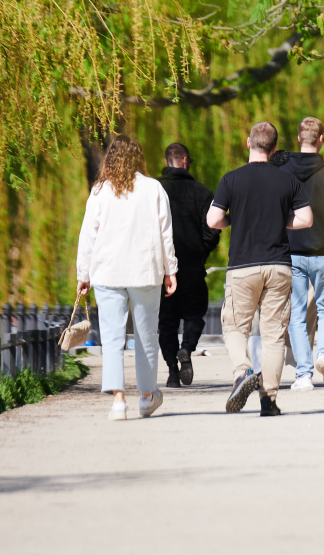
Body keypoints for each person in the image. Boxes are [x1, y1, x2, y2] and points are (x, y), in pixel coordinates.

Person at [207, 121, 313, 417]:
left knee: (235, 326)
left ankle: (242, 373)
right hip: (279, 265)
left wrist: (234, 220)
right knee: (273, 336)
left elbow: (212, 220)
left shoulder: (231, 180)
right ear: (275, 148)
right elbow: (306, 219)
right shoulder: (287, 181)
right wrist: (282, 221)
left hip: (242, 266)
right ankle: (269, 399)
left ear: (248, 143)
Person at [75, 134, 178, 421]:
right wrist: (171, 270)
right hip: (145, 270)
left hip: (107, 272)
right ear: (138, 158)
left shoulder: (99, 192)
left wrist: (83, 274)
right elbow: (165, 234)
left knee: (112, 337)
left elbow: (88, 237)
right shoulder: (154, 189)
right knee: (146, 336)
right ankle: (146, 397)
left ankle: (118, 402)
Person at [284, 116, 324, 392]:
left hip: (293, 251)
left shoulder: (283, 172)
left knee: (296, 314)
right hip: (323, 251)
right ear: (321, 139)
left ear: (299, 138)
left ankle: (303, 375)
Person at [156, 141, 220, 388]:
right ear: (185, 161)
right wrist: (201, 250)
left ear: (166, 162)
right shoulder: (202, 192)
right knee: (195, 314)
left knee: (166, 321)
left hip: (162, 270)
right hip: (192, 265)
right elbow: (213, 228)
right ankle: (187, 348)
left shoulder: (155, 190)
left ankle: (172, 371)